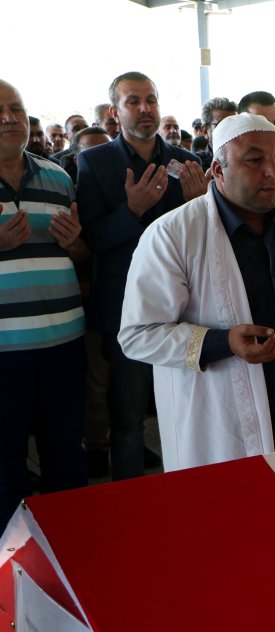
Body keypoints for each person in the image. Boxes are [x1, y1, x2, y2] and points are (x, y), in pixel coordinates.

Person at [118, 113, 275, 471]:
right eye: (254, 160)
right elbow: (138, 334)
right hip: (215, 417)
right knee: (224, 516)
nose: (272, 171)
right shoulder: (174, 235)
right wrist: (223, 343)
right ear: (218, 171)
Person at [77, 71, 207, 481]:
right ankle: (129, 505)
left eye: (150, 99)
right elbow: (91, 239)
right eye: (133, 101)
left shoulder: (187, 163)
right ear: (116, 112)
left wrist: (199, 206)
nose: (145, 108)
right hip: (126, 306)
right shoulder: (94, 162)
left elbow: (204, 237)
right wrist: (130, 211)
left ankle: (189, 492)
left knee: (188, 408)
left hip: (185, 301)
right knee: (129, 416)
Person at [0, 80, 88, 526]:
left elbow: (79, 254)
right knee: (5, 464)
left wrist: (76, 246)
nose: (9, 118)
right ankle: (10, 568)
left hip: (64, 342)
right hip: (4, 352)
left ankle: (68, 550)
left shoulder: (57, 177)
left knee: (66, 455)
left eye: (16, 108)